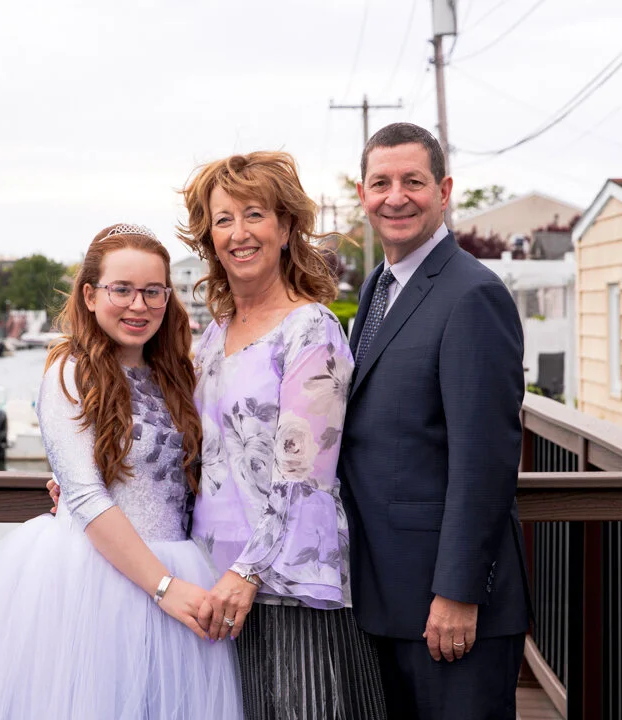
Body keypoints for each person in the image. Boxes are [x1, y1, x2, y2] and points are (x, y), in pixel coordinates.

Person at [0, 224, 242, 719]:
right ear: (89, 295)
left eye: (153, 291)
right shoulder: (70, 370)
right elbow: (86, 495)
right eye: (121, 289)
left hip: (181, 568)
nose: (138, 305)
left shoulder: (174, 373)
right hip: (99, 579)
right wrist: (166, 588)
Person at [180, 151, 386, 720]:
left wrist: (248, 571)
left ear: (287, 227)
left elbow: (304, 475)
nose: (238, 233)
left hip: (284, 587)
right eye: (223, 219)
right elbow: (192, 451)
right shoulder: (214, 334)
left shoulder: (311, 328)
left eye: (255, 215)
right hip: (208, 582)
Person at [339, 123, 530, 720]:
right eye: (380, 183)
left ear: (444, 191)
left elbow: (485, 459)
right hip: (385, 595)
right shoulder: (378, 286)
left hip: (446, 609)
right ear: (363, 195)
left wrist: (457, 592)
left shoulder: (473, 294)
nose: (395, 197)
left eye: (413, 182)